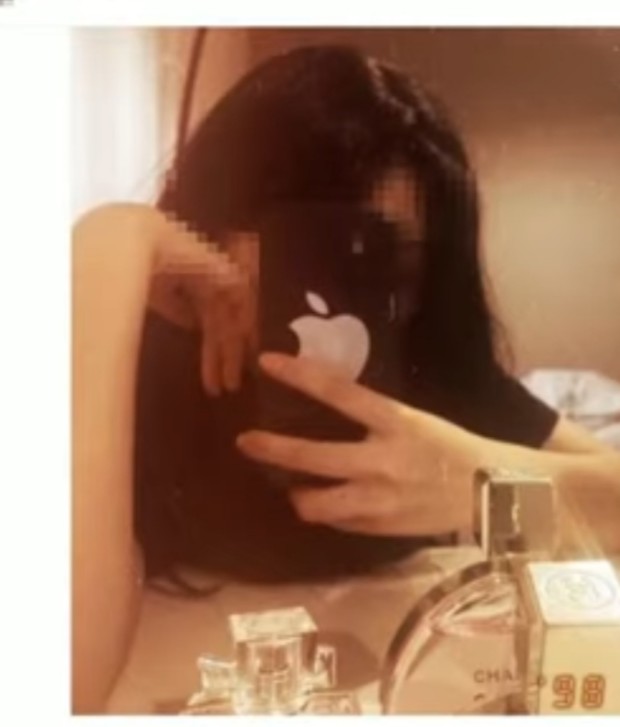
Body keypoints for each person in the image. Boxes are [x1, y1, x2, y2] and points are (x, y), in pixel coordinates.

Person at [72, 44, 620, 713]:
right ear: (213, 220)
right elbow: (65, 682)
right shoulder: (134, 367)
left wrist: (480, 481)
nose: (337, 303)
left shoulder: (433, 376)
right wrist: (111, 242)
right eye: (307, 247)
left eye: (387, 262)